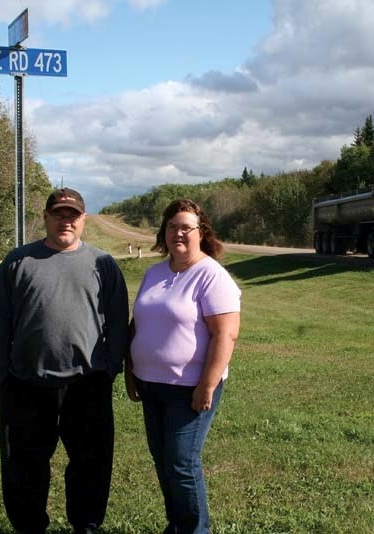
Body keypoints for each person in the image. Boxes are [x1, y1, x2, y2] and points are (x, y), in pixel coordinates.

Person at [0, 187, 129, 534]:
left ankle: (86, 524)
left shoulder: (103, 264)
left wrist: (109, 369)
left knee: (90, 462)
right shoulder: (19, 262)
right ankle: (29, 525)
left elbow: (118, 321)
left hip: (87, 383)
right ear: (46, 218)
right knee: (24, 463)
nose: (66, 220)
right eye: (58, 214)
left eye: (72, 215)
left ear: (83, 220)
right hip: (26, 383)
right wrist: (2, 372)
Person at [125, 199, 241, 533]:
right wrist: (131, 371)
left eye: (186, 227)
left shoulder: (211, 276)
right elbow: (139, 325)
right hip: (151, 385)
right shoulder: (155, 272)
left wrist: (206, 385)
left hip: (190, 388)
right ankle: (177, 526)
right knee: (164, 463)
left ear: (201, 233)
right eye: (172, 226)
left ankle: (194, 530)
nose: (178, 233)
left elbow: (225, 335)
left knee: (181, 463)